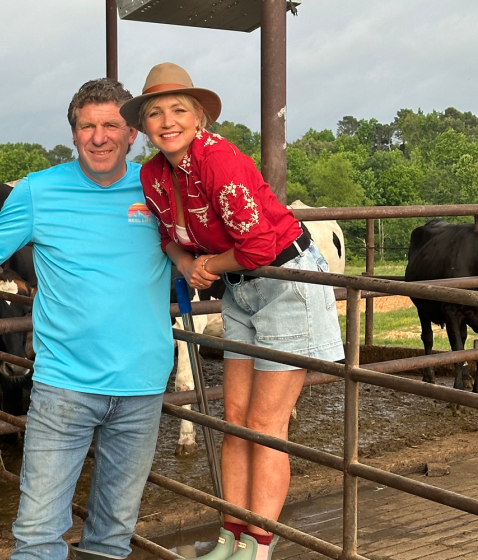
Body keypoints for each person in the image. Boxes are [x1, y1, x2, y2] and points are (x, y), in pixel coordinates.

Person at [0, 78, 174, 560]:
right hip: (64, 386)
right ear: (73, 134)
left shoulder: (159, 187)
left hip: (142, 385)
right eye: (87, 126)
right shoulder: (40, 191)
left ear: (133, 134)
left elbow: (205, 234)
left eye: (112, 125)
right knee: (38, 533)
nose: (100, 136)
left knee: (112, 535)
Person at [120, 63, 344, 560]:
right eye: (155, 112)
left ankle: (258, 548)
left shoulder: (220, 160)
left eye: (179, 109)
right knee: (233, 417)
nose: (167, 120)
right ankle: (229, 538)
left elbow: (261, 243)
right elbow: (167, 238)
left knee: (266, 423)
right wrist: (188, 263)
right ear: (144, 126)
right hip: (239, 288)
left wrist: (206, 264)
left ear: (199, 117)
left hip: (286, 281)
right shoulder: (154, 175)